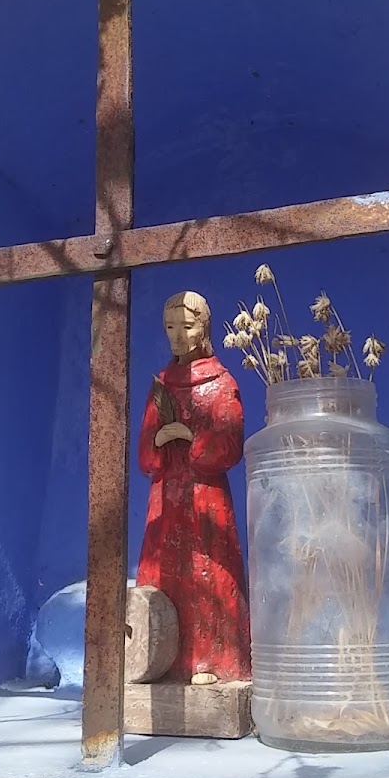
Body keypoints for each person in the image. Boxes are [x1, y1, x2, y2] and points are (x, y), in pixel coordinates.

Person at [135, 291, 252, 684]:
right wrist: (158, 441)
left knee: (207, 573)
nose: (177, 336)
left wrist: (189, 436)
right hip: (166, 499)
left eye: (186, 326)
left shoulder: (221, 384)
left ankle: (210, 659)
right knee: (165, 573)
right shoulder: (161, 386)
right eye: (170, 327)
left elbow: (230, 445)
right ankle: (159, 660)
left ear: (204, 329)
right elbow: (145, 454)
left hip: (205, 498)